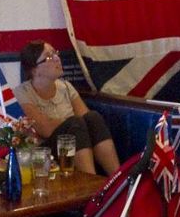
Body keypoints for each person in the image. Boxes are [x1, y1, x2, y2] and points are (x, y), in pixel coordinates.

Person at [16, 41, 119, 176]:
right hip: (43, 152)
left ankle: (118, 178)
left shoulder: (66, 87)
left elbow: (86, 119)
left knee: (93, 118)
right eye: (49, 57)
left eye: (55, 53)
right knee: (75, 124)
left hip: (75, 143)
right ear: (34, 70)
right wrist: (69, 122)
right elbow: (45, 129)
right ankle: (91, 182)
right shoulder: (22, 93)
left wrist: (66, 122)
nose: (57, 58)